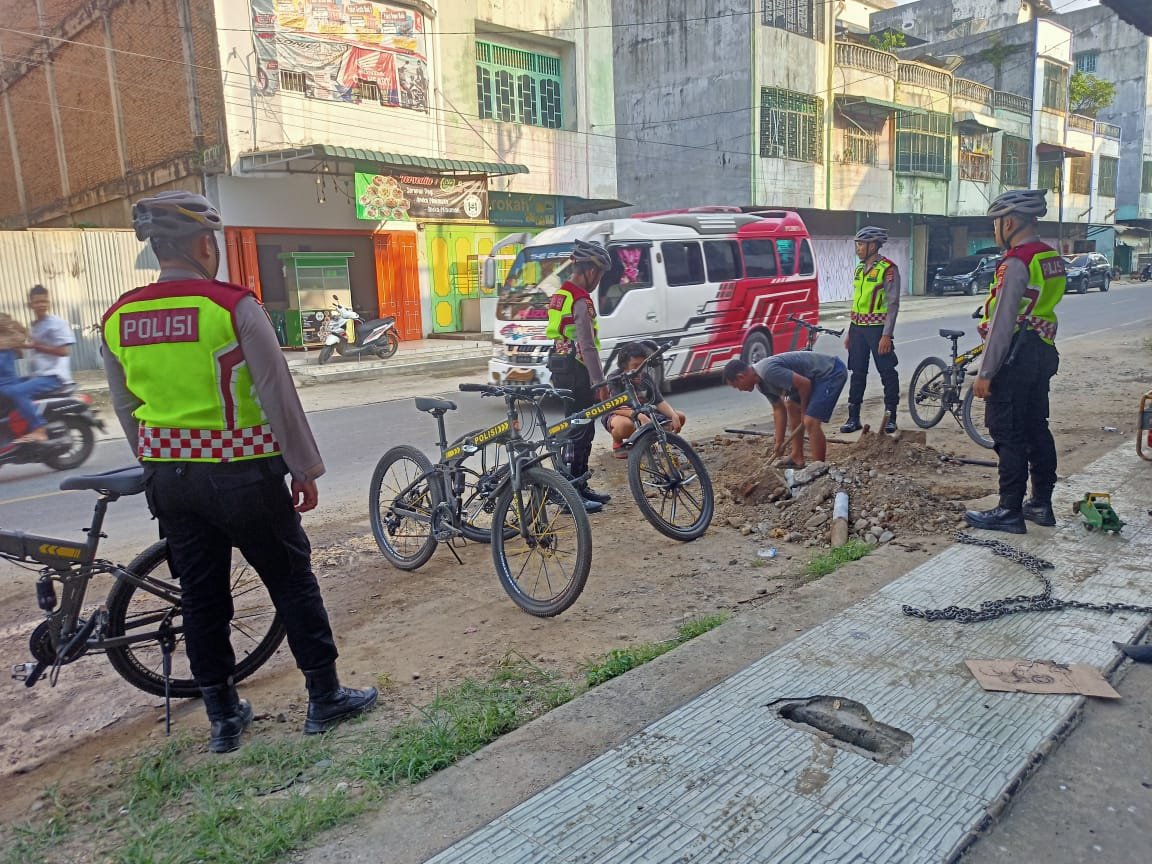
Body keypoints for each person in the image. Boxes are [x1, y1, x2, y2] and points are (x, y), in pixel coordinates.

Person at [102, 191, 376, 753]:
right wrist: (304, 468)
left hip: (171, 483)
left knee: (201, 597)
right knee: (291, 582)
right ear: (204, 245)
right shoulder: (231, 306)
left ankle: (224, 718)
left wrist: (156, 463)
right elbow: (277, 394)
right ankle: (324, 697)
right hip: (243, 477)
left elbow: (127, 408)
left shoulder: (120, 316)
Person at [965, 189, 1065, 534]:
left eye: (995, 223)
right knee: (1036, 427)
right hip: (1042, 349)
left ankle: (1008, 509)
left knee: (1007, 432)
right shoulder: (1049, 257)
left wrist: (986, 372)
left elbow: (1003, 322)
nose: (994, 229)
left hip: (1014, 354)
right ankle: (1041, 503)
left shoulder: (1016, 262)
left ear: (1009, 222)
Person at [546, 239, 613, 510]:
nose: (598, 281)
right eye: (600, 275)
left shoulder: (560, 294)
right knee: (580, 430)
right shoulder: (581, 299)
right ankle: (571, 494)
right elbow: (587, 345)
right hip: (577, 369)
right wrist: (600, 382)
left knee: (579, 427)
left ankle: (580, 485)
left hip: (560, 366)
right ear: (591, 271)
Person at [724, 351, 848, 468]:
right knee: (792, 406)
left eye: (737, 386)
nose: (740, 390)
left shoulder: (767, 371)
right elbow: (778, 409)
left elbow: (805, 384)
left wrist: (804, 411)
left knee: (810, 421)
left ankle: (818, 467)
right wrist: (779, 441)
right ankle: (797, 456)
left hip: (830, 372)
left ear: (741, 377)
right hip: (812, 379)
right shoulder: (761, 385)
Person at [839, 226, 901, 435]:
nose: (857, 248)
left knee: (887, 372)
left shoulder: (888, 268)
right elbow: (858, 302)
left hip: (877, 330)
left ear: (872, 246)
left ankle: (891, 417)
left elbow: (893, 304)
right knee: (857, 373)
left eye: (860, 244)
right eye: (857, 244)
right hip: (858, 329)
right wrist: (850, 332)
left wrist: (887, 335)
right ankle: (853, 417)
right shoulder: (859, 269)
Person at [0, 285, 76, 443]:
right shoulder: (34, 326)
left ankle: (38, 429)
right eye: (37, 302)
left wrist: (35, 346)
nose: (41, 305)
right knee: (6, 387)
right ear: (30, 305)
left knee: (16, 391)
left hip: (54, 376)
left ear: (49, 303)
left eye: (44, 301)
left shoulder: (57, 323)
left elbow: (63, 351)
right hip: (38, 376)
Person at [604, 341, 685, 458]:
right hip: (623, 413)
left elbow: (659, 401)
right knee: (624, 426)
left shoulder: (646, 377)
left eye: (642, 365)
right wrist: (640, 416)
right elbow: (614, 407)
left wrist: (673, 415)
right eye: (635, 366)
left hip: (644, 413)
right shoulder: (614, 378)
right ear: (624, 366)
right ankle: (618, 443)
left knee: (679, 417)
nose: (639, 370)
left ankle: (650, 441)